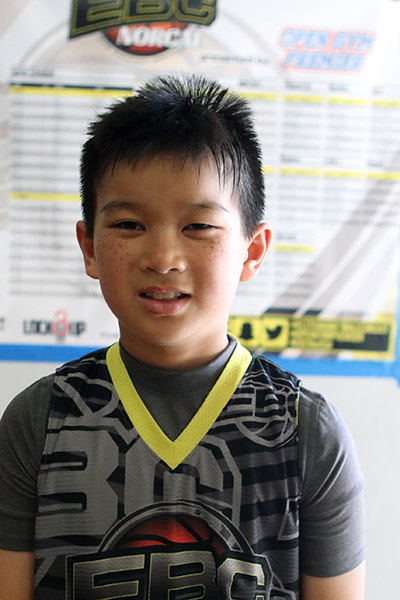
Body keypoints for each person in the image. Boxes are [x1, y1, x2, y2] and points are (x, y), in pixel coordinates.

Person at [0, 74, 365, 599]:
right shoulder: (39, 421)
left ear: (252, 251)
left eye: (199, 227)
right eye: (129, 224)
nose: (163, 258)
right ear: (89, 247)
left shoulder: (306, 432)